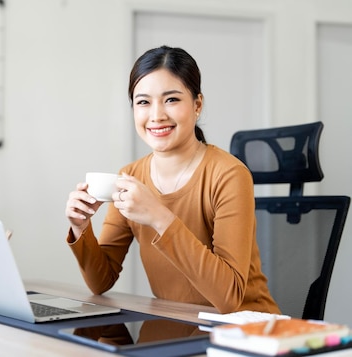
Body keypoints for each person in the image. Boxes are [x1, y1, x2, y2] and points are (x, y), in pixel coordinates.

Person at [64, 45, 280, 314]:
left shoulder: (229, 175)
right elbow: (101, 281)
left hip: (244, 332)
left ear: (197, 104)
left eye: (171, 100)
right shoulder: (130, 177)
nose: (156, 116)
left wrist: (159, 217)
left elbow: (229, 297)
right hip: (178, 326)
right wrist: (80, 228)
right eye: (143, 102)